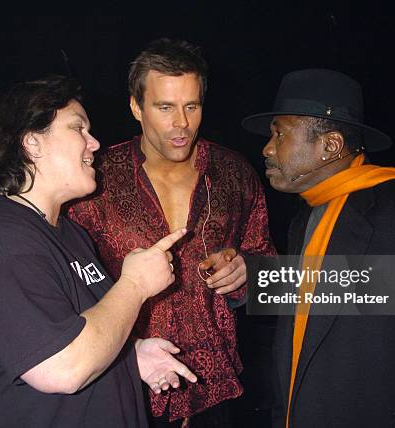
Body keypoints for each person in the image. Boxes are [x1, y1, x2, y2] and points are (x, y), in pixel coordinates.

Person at [0, 75, 198, 427]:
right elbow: (64, 367)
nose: (95, 143)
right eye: (79, 129)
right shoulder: (0, 244)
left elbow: (76, 327)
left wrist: (130, 355)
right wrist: (135, 285)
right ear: (32, 143)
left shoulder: (68, 233)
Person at [242, 69, 395, 427]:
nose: (267, 147)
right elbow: (325, 298)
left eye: (279, 133)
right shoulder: (304, 219)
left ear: (330, 146)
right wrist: (247, 279)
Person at [68, 39, 275, 426]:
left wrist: (251, 270)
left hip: (216, 389)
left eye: (191, 106)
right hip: (123, 383)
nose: (181, 123)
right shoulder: (94, 182)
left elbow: (272, 273)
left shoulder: (235, 174)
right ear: (136, 107)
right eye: (165, 107)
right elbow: (63, 288)